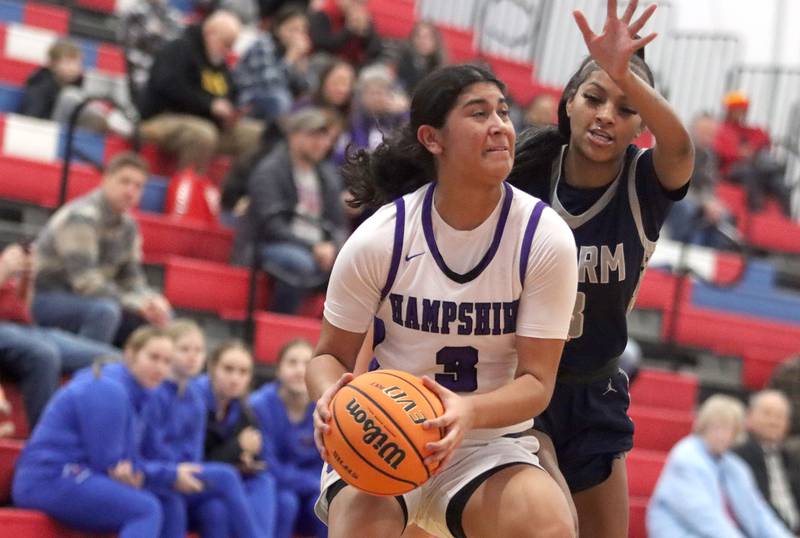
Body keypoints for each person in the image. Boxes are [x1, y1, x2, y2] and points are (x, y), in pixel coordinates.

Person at [307, 63, 579, 538]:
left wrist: (469, 411)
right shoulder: (381, 237)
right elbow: (329, 355)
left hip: (485, 445)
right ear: (433, 139)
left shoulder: (543, 236)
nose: (499, 125)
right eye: (479, 113)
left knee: (548, 526)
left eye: (503, 111)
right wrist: (329, 399)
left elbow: (537, 382)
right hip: (386, 433)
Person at [507, 1, 695, 536]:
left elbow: (680, 143)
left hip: (595, 388)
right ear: (568, 106)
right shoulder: (524, 173)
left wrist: (622, 73)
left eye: (626, 106)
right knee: (555, 524)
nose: (607, 114)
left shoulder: (645, 183)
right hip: (522, 384)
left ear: (641, 123)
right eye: (594, 98)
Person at [11, 330, 167, 537]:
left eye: (167, 362)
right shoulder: (106, 387)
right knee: (146, 509)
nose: (160, 368)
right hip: (49, 478)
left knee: (168, 500)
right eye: (153, 358)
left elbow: (130, 460)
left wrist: (150, 474)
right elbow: (109, 462)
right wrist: (167, 474)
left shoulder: (140, 396)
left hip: (72, 475)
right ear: (130, 354)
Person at [32, 152, 172, 346]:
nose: (130, 191)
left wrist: (150, 301)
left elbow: (132, 279)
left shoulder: (130, 226)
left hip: (97, 300)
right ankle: (90, 371)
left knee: (161, 315)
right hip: (49, 296)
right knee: (105, 312)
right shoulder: (81, 216)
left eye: (138, 186)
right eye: (124, 182)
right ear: (106, 180)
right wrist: (135, 303)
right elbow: (85, 282)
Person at [145, 319, 264, 538]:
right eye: (184, 349)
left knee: (216, 510)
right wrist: (175, 470)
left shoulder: (193, 398)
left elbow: (194, 453)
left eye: (198, 350)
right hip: (158, 473)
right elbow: (150, 446)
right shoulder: (156, 391)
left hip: (184, 472)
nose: (192, 356)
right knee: (226, 476)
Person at [233, 107, 346, 314]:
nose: (322, 144)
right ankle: (279, 322)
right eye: (314, 136)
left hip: (317, 249)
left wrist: (333, 246)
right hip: (268, 244)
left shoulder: (328, 177)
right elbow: (271, 225)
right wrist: (313, 247)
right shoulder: (269, 171)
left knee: (352, 271)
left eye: (325, 138)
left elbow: (339, 225)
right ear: (294, 137)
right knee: (299, 263)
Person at [0, 243, 120, 427]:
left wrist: (27, 278)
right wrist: (4, 270)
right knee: (44, 354)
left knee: (112, 360)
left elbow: (21, 309)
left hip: (26, 329)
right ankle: (47, 444)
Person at [647, 394, 794, 538]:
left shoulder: (735, 466)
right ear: (704, 426)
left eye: (729, 429)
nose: (722, 435)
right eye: (717, 427)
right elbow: (703, 516)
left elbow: (759, 514)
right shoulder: (686, 456)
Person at [138, 10, 264, 176]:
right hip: (162, 119)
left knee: (259, 134)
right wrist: (209, 105)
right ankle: (189, 192)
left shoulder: (220, 63)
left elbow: (230, 94)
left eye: (232, 45)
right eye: (226, 43)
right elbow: (168, 86)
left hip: (208, 125)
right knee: (202, 134)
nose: (228, 50)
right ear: (210, 33)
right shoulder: (179, 49)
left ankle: (233, 192)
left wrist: (231, 112)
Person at [194, 341, 292, 538]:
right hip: (191, 483)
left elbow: (256, 455)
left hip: (221, 486)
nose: (235, 378)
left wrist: (246, 460)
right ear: (212, 367)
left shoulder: (243, 409)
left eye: (243, 372)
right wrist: (237, 447)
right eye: (228, 369)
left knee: (264, 481)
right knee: (216, 510)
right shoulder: (194, 400)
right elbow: (195, 462)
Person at [251, 339, 326, 538]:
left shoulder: (326, 406)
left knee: (326, 504)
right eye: (292, 363)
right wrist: (312, 482)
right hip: (276, 489)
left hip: (312, 490)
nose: (299, 370)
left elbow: (329, 462)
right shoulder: (259, 406)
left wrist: (317, 485)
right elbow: (267, 465)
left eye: (306, 364)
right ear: (278, 369)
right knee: (286, 502)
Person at [19, 39, 134, 137]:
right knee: (70, 96)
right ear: (52, 64)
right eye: (68, 63)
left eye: (77, 63)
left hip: (75, 132)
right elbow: (31, 120)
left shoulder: (82, 83)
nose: (74, 68)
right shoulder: (40, 86)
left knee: (117, 83)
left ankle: (125, 121)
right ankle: (114, 123)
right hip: (50, 134)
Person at [714, 90, 793, 216]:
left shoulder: (752, 130)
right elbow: (726, 152)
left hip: (758, 169)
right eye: (737, 108)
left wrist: (750, 151)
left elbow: (764, 140)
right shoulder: (721, 129)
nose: (741, 112)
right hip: (732, 170)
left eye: (742, 108)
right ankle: (756, 214)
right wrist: (744, 152)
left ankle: (786, 219)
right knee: (752, 173)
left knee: (779, 182)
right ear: (729, 110)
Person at [732, 390, 800, 533]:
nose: (773, 421)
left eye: (780, 417)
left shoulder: (791, 458)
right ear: (749, 417)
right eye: (767, 414)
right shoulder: (737, 458)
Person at [665, 113, 736, 249]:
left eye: (712, 133)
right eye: (705, 132)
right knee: (688, 209)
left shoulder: (709, 155)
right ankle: (678, 249)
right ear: (693, 131)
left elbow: (709, 186)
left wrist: (712, 203)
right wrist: (703, 203)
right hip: (676, 195)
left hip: (696, 198)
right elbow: (677, 184)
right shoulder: (681, 149)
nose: (709, 137)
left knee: (725, 215)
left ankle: (708, 254)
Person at [235, 4, 313, 124]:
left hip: (279, 100)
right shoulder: (263, 44)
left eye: (302, 31)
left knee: (310, 104)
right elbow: (272, 84)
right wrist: (290, 59)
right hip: (251, 100)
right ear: (277, 29)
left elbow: (306, 90)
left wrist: (301, 67)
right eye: (292, 29)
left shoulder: (294, 53)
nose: (297, 36)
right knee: (280, 98)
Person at [118, 0, 184, 101]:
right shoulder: (135, 12)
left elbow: (178, 46)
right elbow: (129, 47)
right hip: (142, 74)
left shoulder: (174, 16)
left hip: (168, 76)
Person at [308, 0, 382, 68]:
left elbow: (375, 50)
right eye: (354, 2)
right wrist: (349, 30)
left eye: (360, 4)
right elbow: (321, 44)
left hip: (353, 63)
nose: (355, 6)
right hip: (329, 60)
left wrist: (367, 32)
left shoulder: (363, 18)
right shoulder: (324, 14)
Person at [395, 21, 447, 95]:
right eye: (418, 36)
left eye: (427, 37)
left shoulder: (442, 71)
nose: (422, 41)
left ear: (436, 41)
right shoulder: (404, 61)